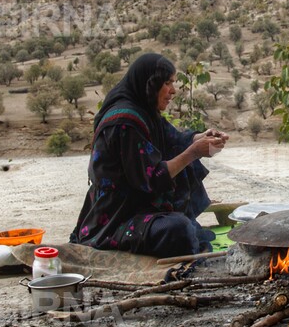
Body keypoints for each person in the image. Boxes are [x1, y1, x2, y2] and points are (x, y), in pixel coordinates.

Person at [70, 53, 229, 259]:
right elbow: (152, 178)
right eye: (167, 83)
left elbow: (174, 140)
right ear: (149, 83)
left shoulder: (144, 112)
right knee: (179, 230)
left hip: (140, 207)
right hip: (116, 217)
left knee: (186, 226)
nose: (173, 90)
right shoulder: (125, 122)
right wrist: (194, 152)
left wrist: (203, 137)